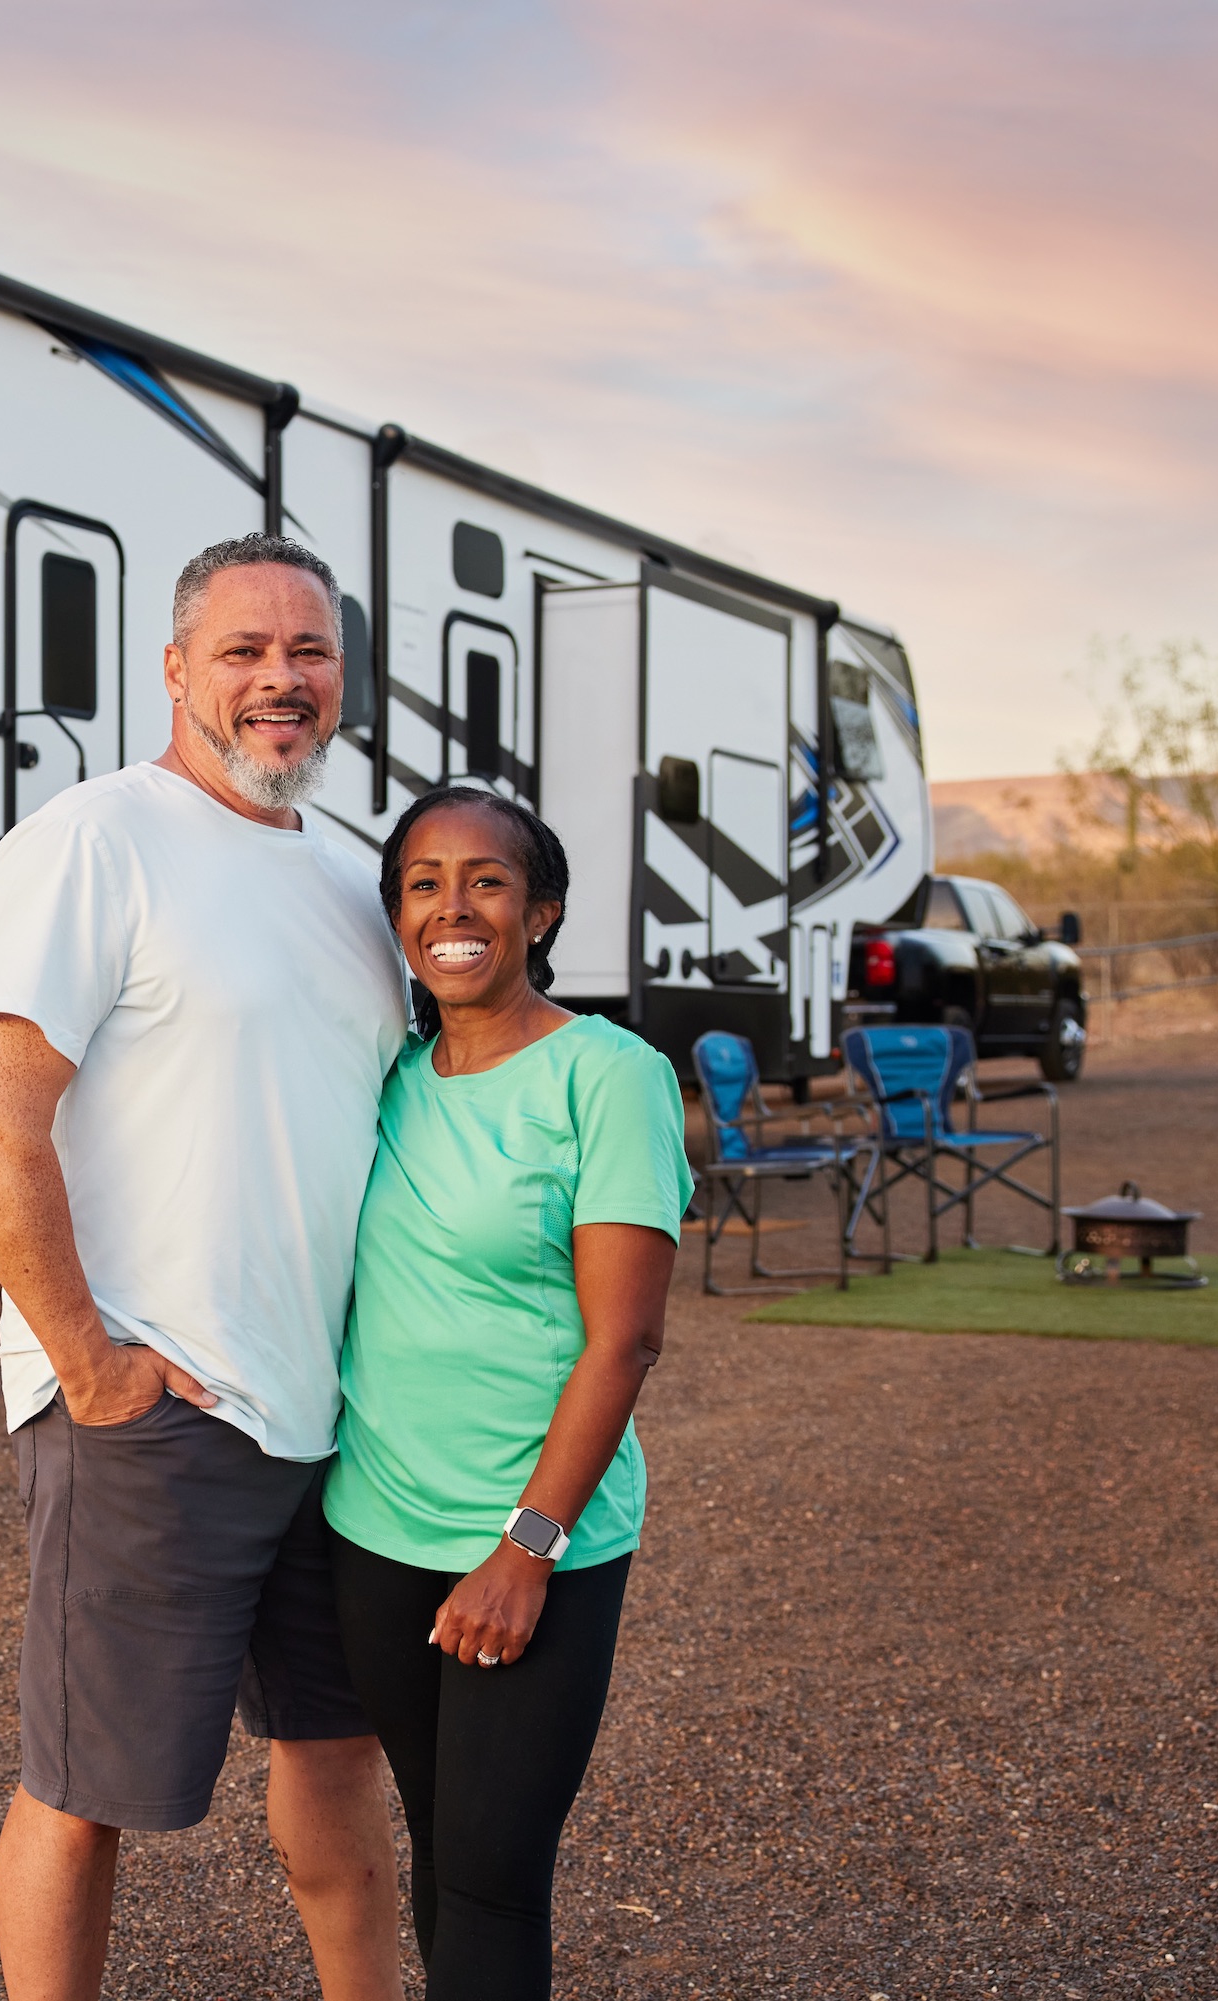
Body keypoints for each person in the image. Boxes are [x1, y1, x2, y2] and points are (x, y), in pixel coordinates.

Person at [0, 533, 408, 2001]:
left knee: (338, 1760)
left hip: (334, 1418)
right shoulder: (95, 840)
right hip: (163, 1404)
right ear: (175, 670)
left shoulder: (352, 881)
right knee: (87, 1786)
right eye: (246, 652)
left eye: (310, 654)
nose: (283, 681)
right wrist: (91, 1365)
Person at [323, 784, 691, 1998]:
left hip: (530, 1542)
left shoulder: (608, 1075)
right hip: (376, 1532)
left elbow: (623, 1342)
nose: (454, 907)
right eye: (423, 883)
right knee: (443, 1856)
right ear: (396, 919)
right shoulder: (387, 1079)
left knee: (491, 1880)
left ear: (542, 913)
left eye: (486, 881)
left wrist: (526, 1547)